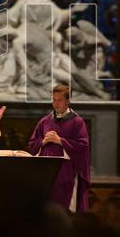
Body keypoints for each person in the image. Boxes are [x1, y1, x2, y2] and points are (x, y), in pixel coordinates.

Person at [27, 84, 91, 213]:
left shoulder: (77, 122)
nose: (56, 103)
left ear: (67, 101)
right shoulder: (45, 121)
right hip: (46, 174)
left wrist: (60, 141)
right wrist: (43, 141)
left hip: (66, 173)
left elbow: (83, 146)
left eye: (59, 100)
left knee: (65, 212)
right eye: (54, 100)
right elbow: (32, 145)